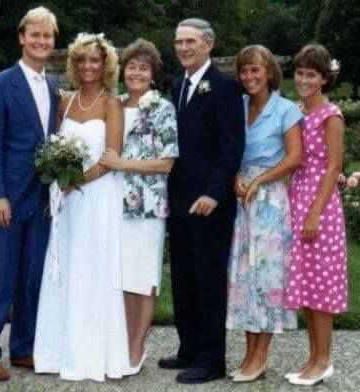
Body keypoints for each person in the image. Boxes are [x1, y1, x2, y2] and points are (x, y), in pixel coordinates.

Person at [33, 32, 130, 382]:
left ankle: (91, 354)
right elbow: (56, 146)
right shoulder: (66, 101)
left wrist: (77, 182)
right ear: (74, 64)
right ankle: (57, 352)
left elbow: (111, 158)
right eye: (82, 60)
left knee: (92, 268)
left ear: (105, 65)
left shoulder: (111, 103)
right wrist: (57, 177)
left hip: (96, 196)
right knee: (63, 266)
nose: (88, 66)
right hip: (66, 201)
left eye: (95, 60)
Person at [0, 7, 58, 381]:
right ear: (22, 38)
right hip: (7, 198)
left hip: (41, 200)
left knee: (32, 277)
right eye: (35, 35)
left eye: (48, 36)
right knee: (0, 278)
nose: (41, 42)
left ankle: (23, 348)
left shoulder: (54, 86)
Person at [161, 18, 245, 383]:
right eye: (179, 41)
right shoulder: (178, 83)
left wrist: (213, 193)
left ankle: (212, 359)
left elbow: (232, 148)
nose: (183, 48)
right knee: (183, 276)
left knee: (208, 279)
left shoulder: (225, 88)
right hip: (179, 199)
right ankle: (189, 348)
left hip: (210, 202)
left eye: (191, 41)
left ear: (208, 45)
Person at [99, 38, 179, 374]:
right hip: (111, 203)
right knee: (120, 275)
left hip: (146, 207)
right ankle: (121, 342)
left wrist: (123, 165)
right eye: (131, 66)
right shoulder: (114, 104)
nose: (136, 72)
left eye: (143, 68)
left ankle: (137, 346)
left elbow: (166, 163)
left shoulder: (162, 108)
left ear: (152, 74)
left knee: (143, 277)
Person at [226, 45, 302, 382]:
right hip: (243, 201)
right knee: (246, 279)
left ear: (269, 72)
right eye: (244, 71)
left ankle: (260, 357)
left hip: (270, 202)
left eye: (255, 70)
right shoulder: (237, 106)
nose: (249, 77)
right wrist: (235, 177)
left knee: (268, 279)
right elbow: (227, 149)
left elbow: (294, 157)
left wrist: (259, 179)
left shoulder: (285, 109)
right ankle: (248, 355)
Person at [283, 44, 347, 386]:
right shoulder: (296, 111)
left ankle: (324, 362)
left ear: (324, 78)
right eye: (300, 73)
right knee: (307, 285)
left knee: (320, 288)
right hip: (297, 197)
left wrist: (314, 215)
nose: (304, 80)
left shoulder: (331, 115)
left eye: (311, 74)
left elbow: (334, 166)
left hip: (320, 206)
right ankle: (312, 359)